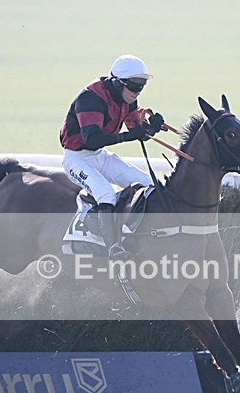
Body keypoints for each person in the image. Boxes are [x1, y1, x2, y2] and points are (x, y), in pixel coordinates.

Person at [60, 54, 165, 259]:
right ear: (118, 83)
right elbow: (92, 139)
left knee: (149, 184)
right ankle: (113, 248)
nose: (137, 92)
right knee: (105, 194)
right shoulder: (90, 98)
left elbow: (135, 129)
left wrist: (151, 128)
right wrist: (129, 136)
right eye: (134, 86)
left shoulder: (126, 98)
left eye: (141, 86)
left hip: (99, 156)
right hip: (76, 158)